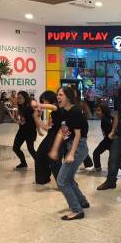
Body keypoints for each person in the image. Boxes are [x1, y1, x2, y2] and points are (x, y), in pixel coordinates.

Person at [49, 87, 90, 220]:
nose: (58, 97)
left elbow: (78, 135)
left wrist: (71, 153)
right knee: (68, 178)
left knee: (61, 181)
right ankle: (82, 202)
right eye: (57, 95)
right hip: (73, 146)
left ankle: (77, 210)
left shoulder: (75, 111)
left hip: (77, 147)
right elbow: (62, 131)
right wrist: (55, 149)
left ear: (68, 97)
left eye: (60, 95)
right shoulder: (64, 112)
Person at [88, 104, 121, 176]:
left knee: (114, 159)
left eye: (99, 110)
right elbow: (114, 118)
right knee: (96, 153)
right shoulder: (106, 118)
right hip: (107, 140)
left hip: (112, 142)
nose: (96, 112)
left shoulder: (106, 120)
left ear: (104, 111)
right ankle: (97, 167)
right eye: (96, 110)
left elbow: (115, 129)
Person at [32, 91, 65, 185]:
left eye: (44, 101)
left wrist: (38, 105)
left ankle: (63, 182)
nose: (43, 103)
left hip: (58, 136)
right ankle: (42, 179)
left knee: (54, 160)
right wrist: (36, 118)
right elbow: (46, 127)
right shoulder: (52, 113)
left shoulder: (57, 107)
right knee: (40, 155)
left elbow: (52, 107)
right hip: (52, 135)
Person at [12, 91, 38, 170]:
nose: (18, 99)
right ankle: (23, 163)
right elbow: (22, 120)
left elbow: (34, 120)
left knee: (31, 149)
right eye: (18, 98)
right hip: (22, 131)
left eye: (20, 98)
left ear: (25, 98)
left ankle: (40, 163)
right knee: (15, 147)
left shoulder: (30, 107)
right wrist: (18, 120)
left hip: (30, 131)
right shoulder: (21, 107)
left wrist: (21, 121)